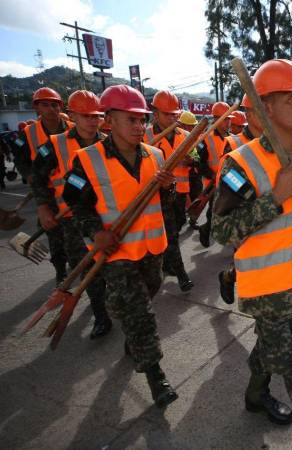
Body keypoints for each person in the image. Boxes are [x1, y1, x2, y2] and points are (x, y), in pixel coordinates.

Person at [211, 59, 292, 449]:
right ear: (266, 106)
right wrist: (275, 198)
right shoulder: (242, 163)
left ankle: (254, 395)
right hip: (266, 288)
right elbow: (220, 231)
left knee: (272, 347)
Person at [62, 84, 178, 408]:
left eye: (142, 120)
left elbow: (163, 200)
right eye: (131, 120)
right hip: (117, 254)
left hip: (153, 249)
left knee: (146, 294)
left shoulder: (155, 155)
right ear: (109, 120)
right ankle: (156, 375)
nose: (139, 127)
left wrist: (168, 188)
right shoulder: (86, 159)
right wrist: (95, 233)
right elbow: (76, 204)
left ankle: (123, 316)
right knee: (141, 314)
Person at [31, 90, 112, 339]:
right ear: (73, 115)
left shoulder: (110, 142)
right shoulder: (55, 145)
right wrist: (43, 206)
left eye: (96, 116)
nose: (91, 121)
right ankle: (101, 315)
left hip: (108, 217)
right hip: (72, 220)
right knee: (87, 267)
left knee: (109, 266)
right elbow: (37, 176)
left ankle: (110, 303)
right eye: (85, 116)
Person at [18, 87, 73, 284]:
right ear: (37, 108)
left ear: (60, 106)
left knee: (79, 237)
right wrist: (29, 176)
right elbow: (20, 159)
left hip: (73, 191)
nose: (51, 109)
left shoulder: (73, 128)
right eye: (45, 105)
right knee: (55, 236)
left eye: (55, 104)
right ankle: (61, 272)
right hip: (47, 193)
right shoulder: (27, 134)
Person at [143, 90, 194, 292]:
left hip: (181, 192)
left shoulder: (186, 135)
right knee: (171, 234)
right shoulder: (145, 136)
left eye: (175, 114)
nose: (173, 118)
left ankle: (166, 263)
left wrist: (190, 160)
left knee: (177, 227)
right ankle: (182, 274)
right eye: (168, 114)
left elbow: (197, 158)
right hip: (157, 195)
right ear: (156, 114)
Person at [217, 94, 264, 305]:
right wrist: (254, 195)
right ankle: (228, 277)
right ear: (249, 113)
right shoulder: (234, 142)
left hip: (271, 210)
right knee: (250, 258)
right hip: (245, 212)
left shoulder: (274, 140)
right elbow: (228, 176)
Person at [197, 101, 233, 247]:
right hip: (213, 184)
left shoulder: (232, 138)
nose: (228, 122)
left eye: (229, 119)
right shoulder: (206, 138)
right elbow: (200, 163)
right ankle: (205, 231)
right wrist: (212, 175)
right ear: (216, 119)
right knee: (214, 212)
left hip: (230, 181)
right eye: (225, 119)